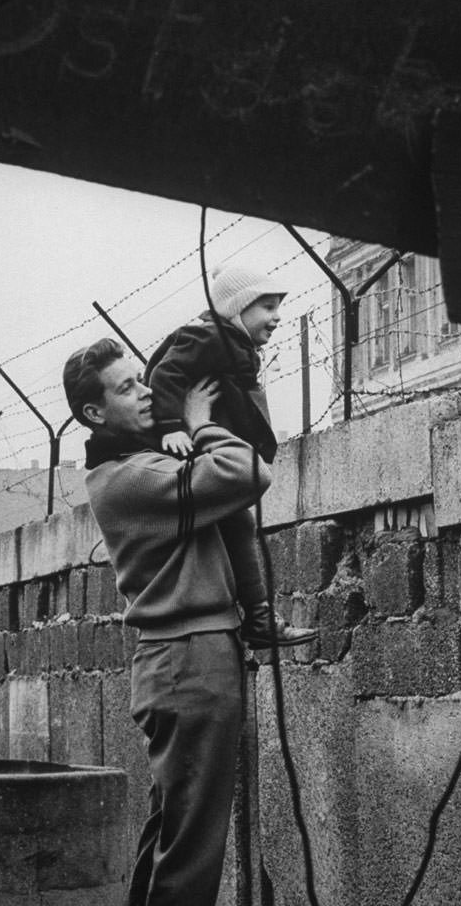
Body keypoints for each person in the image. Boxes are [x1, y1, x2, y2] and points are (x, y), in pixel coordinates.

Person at [62, 337, 266, 906]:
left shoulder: (140, 462)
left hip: (183, 660)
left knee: (173, 832)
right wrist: (200, 422)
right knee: (193, 848)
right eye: (128, 387)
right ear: (95, 414)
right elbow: (249, 471)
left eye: (141, 378)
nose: (147, 390)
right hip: (190, 662)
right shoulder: (130, 476)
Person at [144, 262, 316, 650]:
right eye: (266, 307)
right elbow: (164, 376)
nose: (277, 317)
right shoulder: (209, 337)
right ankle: (257, 619)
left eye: (278, 307)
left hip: (212, 451)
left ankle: (256, 617)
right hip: (193, 453)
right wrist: (173, 425)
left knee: (239, 529)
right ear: (236, 309)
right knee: (237, 529)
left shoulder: (235, 344)